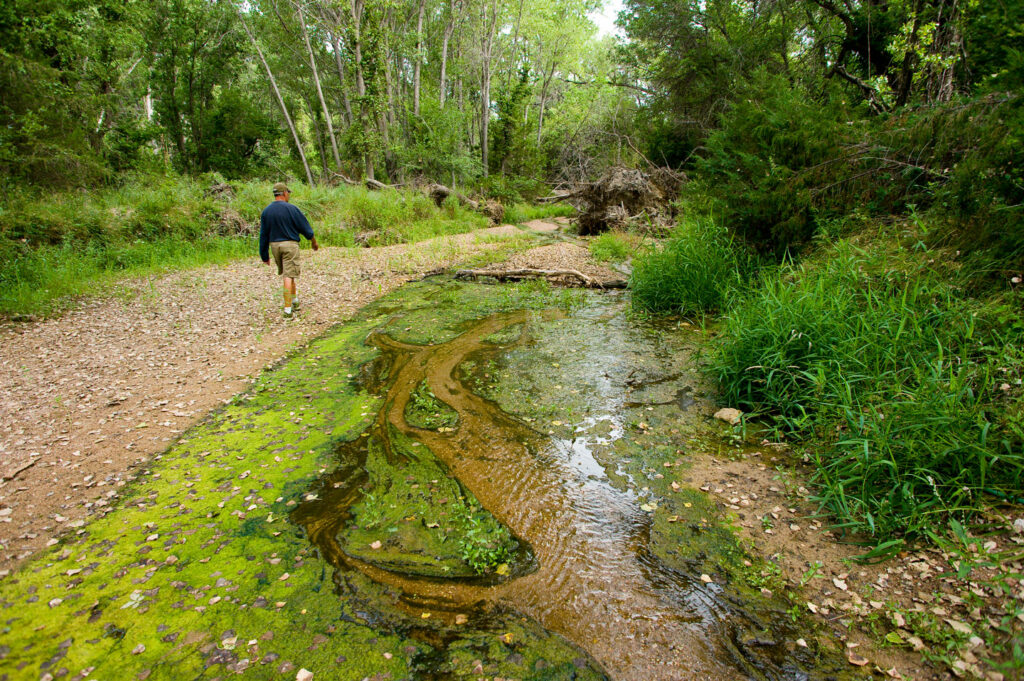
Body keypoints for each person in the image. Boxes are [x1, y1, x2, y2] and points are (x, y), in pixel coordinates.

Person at [259, 182, 319, 318]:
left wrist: (264, 255)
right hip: (290, 245)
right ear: (284, 193)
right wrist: (313, 242)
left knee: (288, 272)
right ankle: (288, 309)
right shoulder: (292, 209)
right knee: (288, 275)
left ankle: (294, 299)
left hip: (274, 245)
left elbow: (263, 234)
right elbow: (306, 228)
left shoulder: (266, 211)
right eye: (288, 193)